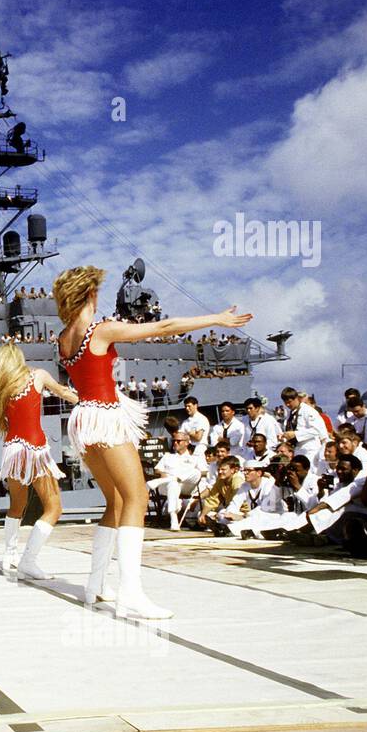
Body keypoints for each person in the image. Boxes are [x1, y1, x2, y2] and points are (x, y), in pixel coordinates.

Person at [54, 265, 251, 618]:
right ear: (91, 294)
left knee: (115, 501)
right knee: (137, 497)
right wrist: (216, 319)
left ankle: (95, 586)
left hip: (84, 418)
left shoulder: (64, 336)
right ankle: (130, 593)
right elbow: (162, 327)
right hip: (106, 417)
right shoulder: (99, 330)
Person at [0, 344, 78, 577]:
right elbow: (64, 393)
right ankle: (29, 560)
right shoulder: (37, 375)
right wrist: (88, 403)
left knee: (17, 506)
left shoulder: (1, 387)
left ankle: (9, 555)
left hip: (12, 450)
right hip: (34, 449)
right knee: (54, 508)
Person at [147, 429, 208, 530]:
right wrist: (162, 473)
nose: (175, 443)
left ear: (187, 443)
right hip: (167, 487)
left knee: (196, 472)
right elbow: (157, 470)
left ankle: (172, 479)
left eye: (178, 441)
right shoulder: (167, 456)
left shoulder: (195, 458)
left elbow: (204, 472)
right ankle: (173, 518)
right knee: (173, 484)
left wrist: (180, 476)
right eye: (174, 440)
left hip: (187, 486)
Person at [279, 387, 328, 465]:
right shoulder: (289, 414)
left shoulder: (308, 411)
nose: (288, 405)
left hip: (310, 450)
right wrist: (284, 436)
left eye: (290, 402)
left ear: (296, 398)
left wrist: (295, 434)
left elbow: (316, 430)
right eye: (285, 403)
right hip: (297, 449)